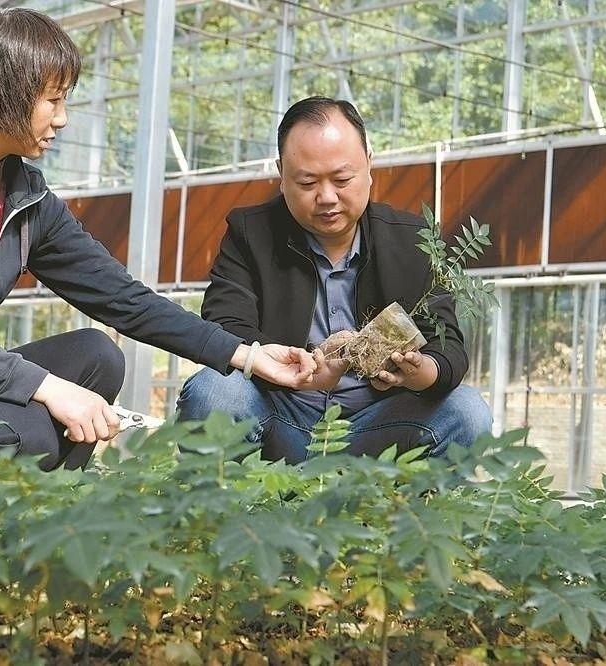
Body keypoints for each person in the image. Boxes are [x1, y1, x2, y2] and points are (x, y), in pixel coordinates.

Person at [0, 9, 322, 471]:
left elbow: (125, 301)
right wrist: (49, 389)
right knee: (37, 428)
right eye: (53, 100)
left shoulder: (27, 199)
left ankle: (22, 526)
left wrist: (247, 356)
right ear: (6, 94)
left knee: (97, 357)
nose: (63, 119)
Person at [177, 96, 492, 464]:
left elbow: (448, 346)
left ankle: (408, 518)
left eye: (342, 179)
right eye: (307, 182)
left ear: (369, 164)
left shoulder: (412, 239)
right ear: (282, 174)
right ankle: (230, 517)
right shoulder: (250, 233)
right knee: (214, 393)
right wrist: (294, 368)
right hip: (281, 416)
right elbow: (225, 325)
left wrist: (417, 372)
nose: (327, 197)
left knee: (467, 413)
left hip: (378, 426)